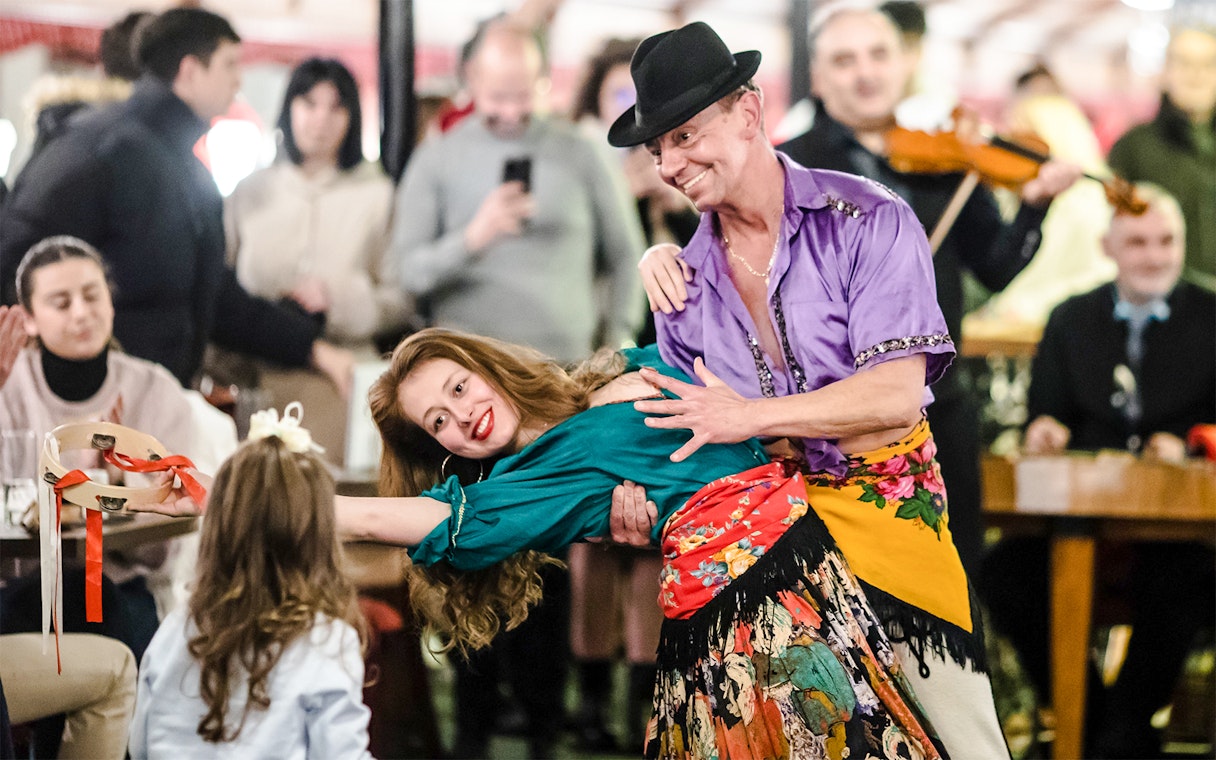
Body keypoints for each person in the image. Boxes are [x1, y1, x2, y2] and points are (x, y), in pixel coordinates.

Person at [141, 327, 951, 760]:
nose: (463, 416)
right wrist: (261, 500)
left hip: (833, 535)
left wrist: (659, 250)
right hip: (758, 606)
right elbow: (427, 523)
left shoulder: (596, 377)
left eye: (458, 388)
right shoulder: (524, 486)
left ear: (482, 364)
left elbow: (715, 343)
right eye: (441, 425)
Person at [611, 21, 1009, 757]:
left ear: (750, 114)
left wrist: (748, 416)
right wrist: (632, 502)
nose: (669, 161)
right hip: (763, 552)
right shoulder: (681, 284)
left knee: (962, 742)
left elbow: (894, 394)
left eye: (686, 134)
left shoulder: (872, 219)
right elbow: (689, 439)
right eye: (658, 146)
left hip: (892, 530)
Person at [770, 8, 1079, 581]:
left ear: (905, 62)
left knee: (956, 579)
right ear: (819, 77)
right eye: (845, 59)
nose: (865, 73)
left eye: (878, 55)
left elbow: (995, 267)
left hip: (943, 407)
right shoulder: (789, 167)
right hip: (837, 421)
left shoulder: (949, 160)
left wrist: (1034, 206)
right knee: (844, 587)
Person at [0, 8, 353, 395]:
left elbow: (214, 294)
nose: (239, 81)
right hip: (88, 411)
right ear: (190, 71)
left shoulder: (186, 166)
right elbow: (17, 259)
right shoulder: (99, 150)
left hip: (156, 403)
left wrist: (309, 347)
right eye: (229, 64)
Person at [981, 185, 1215, 758]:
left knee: (1189, 584)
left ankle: (1117, 735)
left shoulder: (1212, 315)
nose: (1154, 257)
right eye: (1137, 243)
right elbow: (1047, 412)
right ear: (1106, 246)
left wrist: (1189, 443)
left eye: (1166, 242)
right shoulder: (1071, 318)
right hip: (1079, 524)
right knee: (1004, 576)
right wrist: (1044, 430)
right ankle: (1097, 729)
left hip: (1177, 531)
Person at [389, 19, 645, 364]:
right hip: (471, 374)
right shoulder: (436, 157)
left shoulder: (582, 151)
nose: (510, 113)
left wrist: (618, 341)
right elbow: (407, 273)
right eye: (498, 98)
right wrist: (472, 239)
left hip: (569, 369)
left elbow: (627, 255)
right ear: (473, 77)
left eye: (522, 96)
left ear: (543, 80)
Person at [127, 409, 372, 758]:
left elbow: (140, 747)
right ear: (320, 538)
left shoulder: (174, 629)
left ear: (218, 531)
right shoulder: (326, 641)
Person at [222, 57, 413, 460]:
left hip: (340, 382)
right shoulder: (250, 192)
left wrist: (340, 300)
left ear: (352, 117)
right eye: (309, 103)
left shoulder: (377, 195)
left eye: (336, 107)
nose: (321, 120)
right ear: (288, 107)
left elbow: (400, 300)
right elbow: (220, 293)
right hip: (255, 382)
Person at [1108, 25, 1215, 291]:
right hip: (1165, 299)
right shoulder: (1133, 147)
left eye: (1208, 64)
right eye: (1185, 63)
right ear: (1166, 70)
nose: (1197, 75)